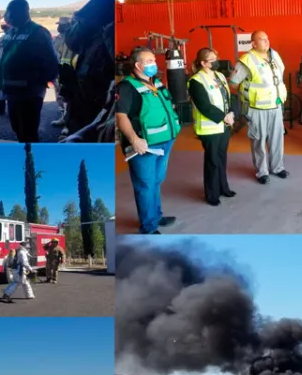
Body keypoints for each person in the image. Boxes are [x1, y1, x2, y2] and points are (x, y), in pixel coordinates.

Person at [116, 46, 180, 234]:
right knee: (145, 185)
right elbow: (121, 116)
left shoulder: (155, 82)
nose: (154, 64)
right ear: (138, 65)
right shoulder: (126, 87)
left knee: (155, 181)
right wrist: (134, 139)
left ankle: (156, 216)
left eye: (154, 60)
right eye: (149, 61)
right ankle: (149, 228)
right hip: (144, 146)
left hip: (165, 141)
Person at [63, 0, 114, 136]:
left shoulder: (108, 24)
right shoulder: (96, 17)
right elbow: (72, 41)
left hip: (99, 111)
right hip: (84, 100)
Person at [228, 30, 289, 184]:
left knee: (277, 140)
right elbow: (234, 83)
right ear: (254, 43)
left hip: (275, 106)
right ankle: (262, 172)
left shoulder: (275, 57)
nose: (266, 41)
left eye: (267, 38)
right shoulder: (247, 60)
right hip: (256, 108)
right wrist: (248, 94)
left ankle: (277, 167)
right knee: (258, 141)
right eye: (262, 39)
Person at [0, 0, 59, 143]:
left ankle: (33, 161)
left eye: (10, 12)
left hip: (30, 93)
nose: (7, 15)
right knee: (16, 127)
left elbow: (52, 61)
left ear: (22, 13)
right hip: (11, 91)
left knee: (29, 131)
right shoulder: (10, 32)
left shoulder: (38, 32)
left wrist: (39, 82)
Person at [188, 47, 236, 206]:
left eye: (217, 57)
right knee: (212, 161)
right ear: (203, 63)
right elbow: (204, 106)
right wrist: (224, 117)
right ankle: (212, 194)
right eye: (212, 59)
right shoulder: (196, 81)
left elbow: (227, 98)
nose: (217, 61)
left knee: (222, 159)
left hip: (224, 126)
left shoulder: (220, 76)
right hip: (210, 128)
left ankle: (224, 188)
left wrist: (231, 113)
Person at [52, 16, 74, 137]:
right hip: (60, 72)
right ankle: (63, 118)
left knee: (69, 100)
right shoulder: (58, 38)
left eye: (62, 24)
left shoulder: (74, 38)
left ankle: (68, 125)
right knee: (60, 97)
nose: (59, 27)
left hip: (70, 73)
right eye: (58, 24)